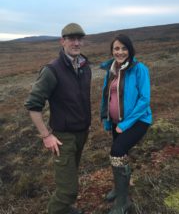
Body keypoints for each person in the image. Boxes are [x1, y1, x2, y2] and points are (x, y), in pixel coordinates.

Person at [24, 23, 91, 214]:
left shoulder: (85, 66)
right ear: (63, 41)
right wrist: (46, 136)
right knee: (68, 191)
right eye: (71, 39)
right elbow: (33, 106)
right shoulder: (52, 70)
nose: (76, 43)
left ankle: (66, 210)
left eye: (79, 39)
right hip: (63, 137)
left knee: (70, 176)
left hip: (82, 134)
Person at [100, 34, 152, 214]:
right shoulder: (111, 69)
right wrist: (107, 119)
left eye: (124, 48)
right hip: (116, 121)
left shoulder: (139, 69)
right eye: (116, 48)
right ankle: (120, 188)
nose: (120, 52)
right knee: (121, 154)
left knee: (117, 151)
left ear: (130, 50)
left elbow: (145, 100)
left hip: (138, 121)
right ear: (112, 51)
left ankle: (123, 201)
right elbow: (107, 96)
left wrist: (126, 124)